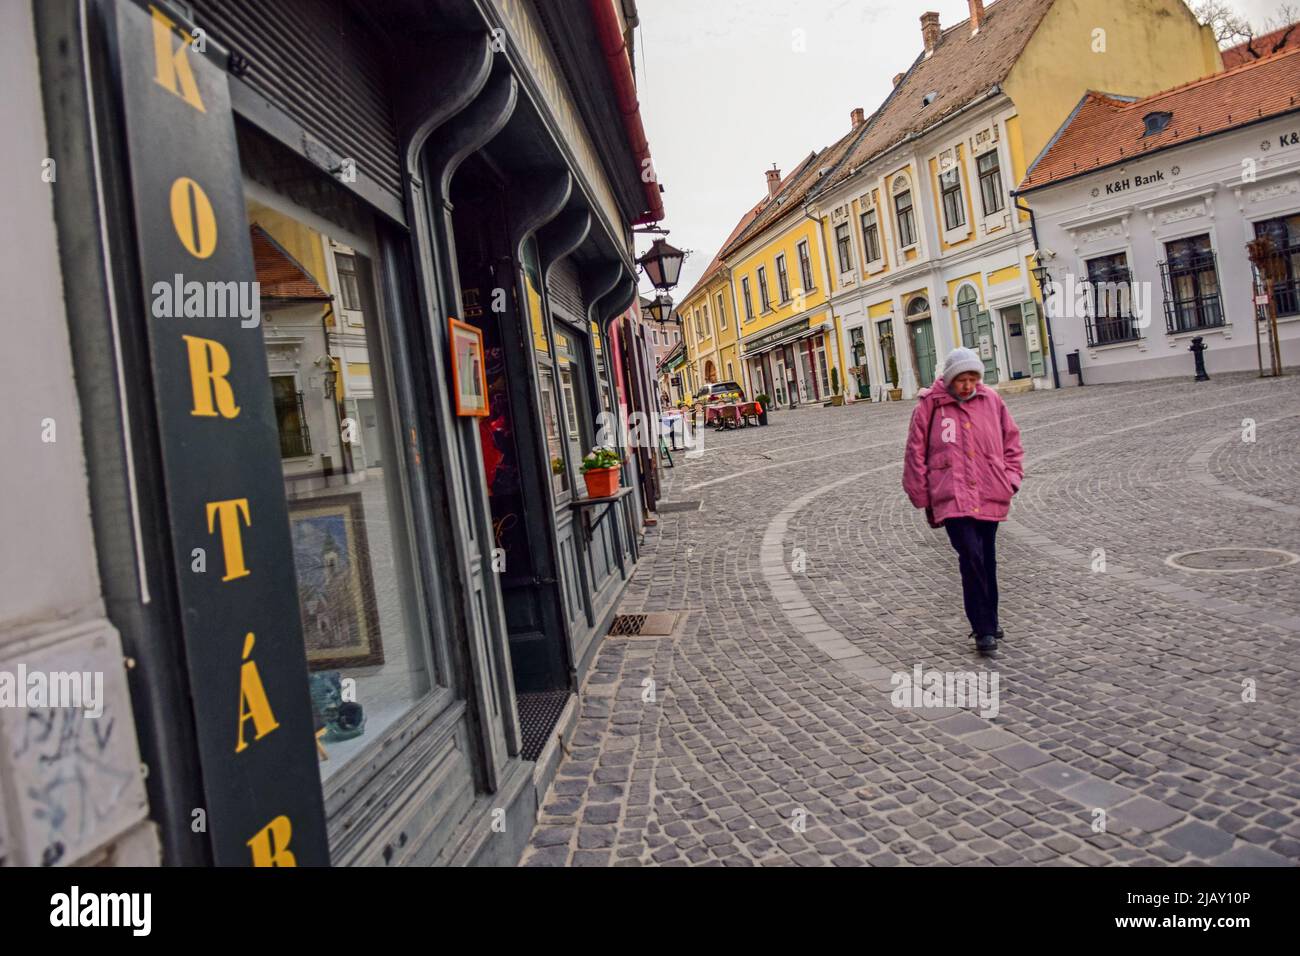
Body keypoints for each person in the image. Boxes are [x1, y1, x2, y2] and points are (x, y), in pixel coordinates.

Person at [902, 347, 1024, 657]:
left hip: (989, 491)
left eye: (973, 379)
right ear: (950, 379)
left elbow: (1012, 441)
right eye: (961, 379)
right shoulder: (930, 406)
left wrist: (1010, 479)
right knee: (970, 557)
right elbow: (915, 451)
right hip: (951, 495)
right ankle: (982, 629)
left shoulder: (991, 400)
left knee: (987, 560)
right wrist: (922, 494)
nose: (967, 385)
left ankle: (991, 621)